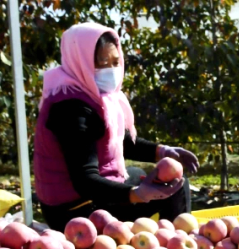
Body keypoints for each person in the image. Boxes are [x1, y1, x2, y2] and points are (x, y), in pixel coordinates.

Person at [34, 22, 198, 231]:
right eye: (102, 63)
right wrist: (136, 194)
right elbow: (85, 180)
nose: (110, 70)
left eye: (115, 62)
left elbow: (110, 139)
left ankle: (165, 240)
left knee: (136, 172)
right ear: (81, 60)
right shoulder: (71, 108)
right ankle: (177, 245)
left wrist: (160, 151)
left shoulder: (85, 91)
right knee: (175, 186)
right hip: (74, 213)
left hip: (84, 197)